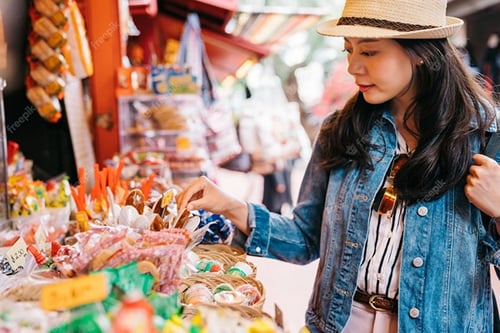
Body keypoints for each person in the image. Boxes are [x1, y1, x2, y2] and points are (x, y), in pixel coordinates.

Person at [177, 0, 500, 331]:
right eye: (349, 50)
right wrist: (228, 205)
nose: (353, 67)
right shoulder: (342, 130)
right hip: (341, 323)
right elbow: (305, 238)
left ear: (421, 53)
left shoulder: (486, 138)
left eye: (370, 52)